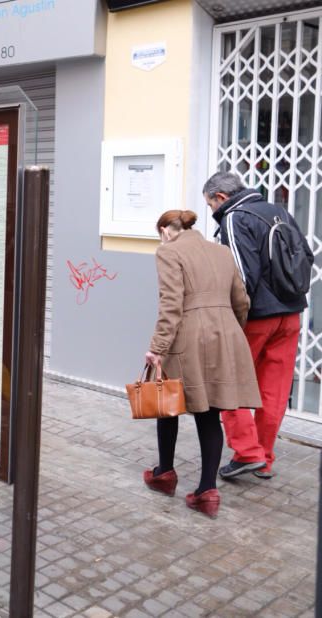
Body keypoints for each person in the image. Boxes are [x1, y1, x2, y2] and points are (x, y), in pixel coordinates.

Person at [143, 210, 261, 518]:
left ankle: (164, 474)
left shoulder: (168, 251)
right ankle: (207, 491)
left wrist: (156, 348)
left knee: (167, 400)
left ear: (166, 230)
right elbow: (242, 300)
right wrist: (228, 329)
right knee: (211, 412)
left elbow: (171, 303)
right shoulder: (222, 251)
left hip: (188, 336)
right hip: (225, 333)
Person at [204, 171, 314, 480]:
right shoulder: (278, 210)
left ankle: (247, 453)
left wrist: (232, 318)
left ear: (221, 198)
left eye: (210, 204)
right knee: (274, 390)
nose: (211, 211)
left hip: (257, 317)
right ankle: (264, 458)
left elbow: (241, 275)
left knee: (230, 381)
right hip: (290, 314)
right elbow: (306, 256)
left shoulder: (234, 218)